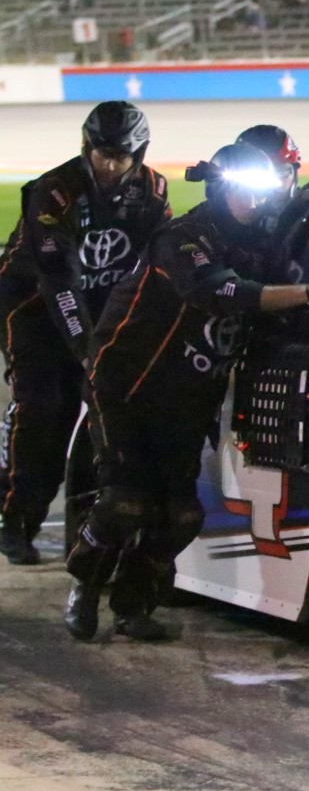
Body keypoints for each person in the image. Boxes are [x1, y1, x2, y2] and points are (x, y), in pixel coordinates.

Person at [62, 143, 309, 641]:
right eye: (244, 193)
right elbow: (219, 292)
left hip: (187, 397)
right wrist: (306, 293)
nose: (255, 205)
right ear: (221, 190)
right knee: (125, 503)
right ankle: (84, 583)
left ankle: (132, 606)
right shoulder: (184, 238)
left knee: (180, 515)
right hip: (128, 386)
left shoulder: (260, 243)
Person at [0, 101, 170, 566]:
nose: (110, 165)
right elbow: (59, 281)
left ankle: (94, 528)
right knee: (45, 410)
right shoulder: (54, 193)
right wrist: (88, 351)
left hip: (97, 309)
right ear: (85, 147)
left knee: (108, 412)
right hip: (32, 308)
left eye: (121, 156)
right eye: (101, 154)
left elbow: (158, 267)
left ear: (140, 154)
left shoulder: (154, 194)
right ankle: (15, 521)